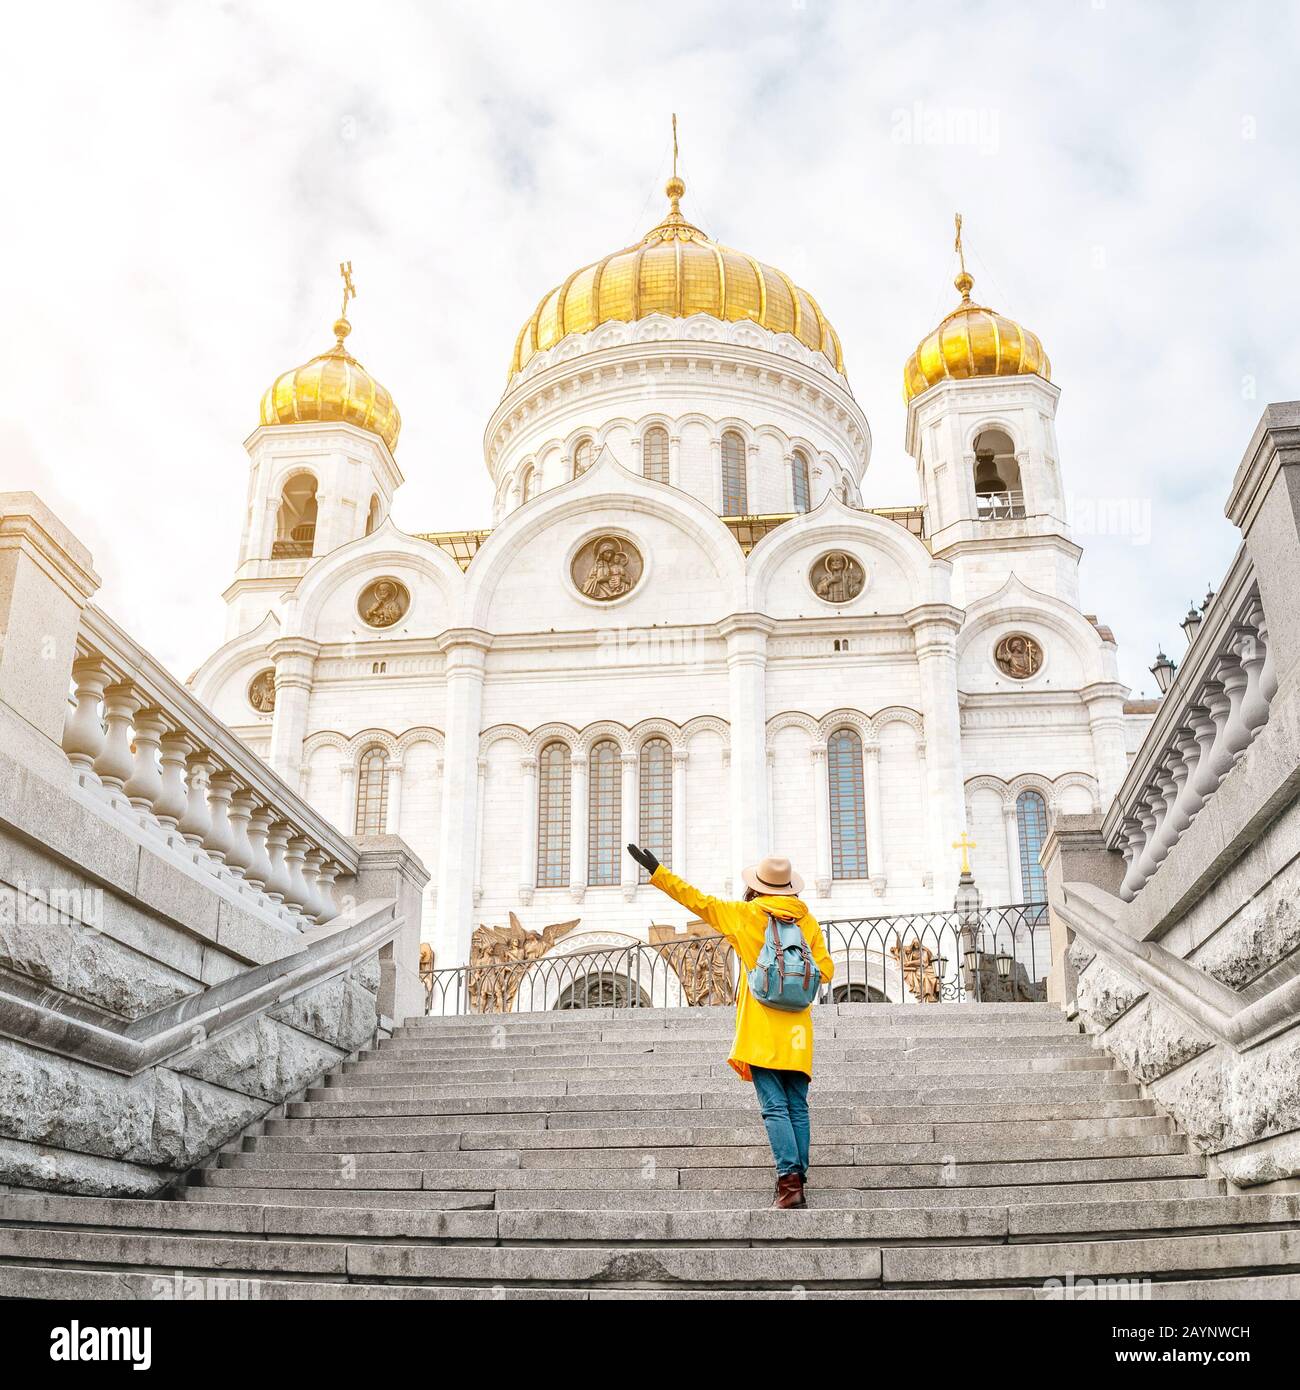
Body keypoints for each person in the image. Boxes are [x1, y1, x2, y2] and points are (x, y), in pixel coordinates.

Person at [626, 843, 834, 1210]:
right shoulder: (807, 921)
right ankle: (796, 1180)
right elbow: (827, 970)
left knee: (774, 1107)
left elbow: (698, 902)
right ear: (789, 887)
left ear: (757, 886)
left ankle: (789, 1186)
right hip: (798, 1030)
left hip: (761, 1027)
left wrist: (658, 873)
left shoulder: (745, 915)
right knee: (797, 1106)